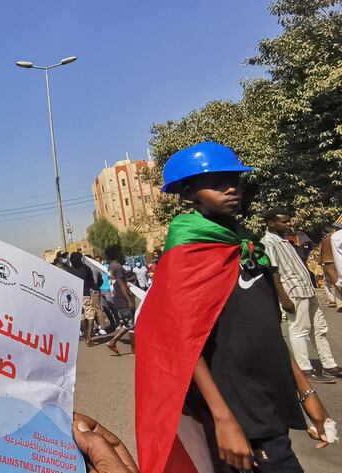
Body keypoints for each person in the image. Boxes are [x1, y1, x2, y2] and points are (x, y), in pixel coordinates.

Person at [136, 142, 332, 473]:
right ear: (188, 193)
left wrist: (307, 393)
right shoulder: (185, 255)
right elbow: (180, 344)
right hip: (234, 406)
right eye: (217, 182)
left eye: (235, 180)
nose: (232, 188)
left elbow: (270, 331)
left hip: (268, 399)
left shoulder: (246, 245)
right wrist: (222, 417)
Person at [261, 209, 340, 381]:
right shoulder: (269, 242)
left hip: (307, 290)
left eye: (289, 221)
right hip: (293, 292)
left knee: (319, 328)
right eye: (284, 222)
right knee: (299, 330)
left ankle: (329, 365)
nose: (288, 224)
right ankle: (305, 370)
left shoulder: (284, 240)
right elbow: (273, 272)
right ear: (271, 223)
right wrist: (283, 298)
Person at [104, 245, 136, 355]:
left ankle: (112, 342)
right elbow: (121, 285)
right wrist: (129, 300)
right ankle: (133, 350)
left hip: (116, 298)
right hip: (122, 299)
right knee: (131, 324)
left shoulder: (110, 266)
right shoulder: (117, 267)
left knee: (128, 323)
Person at [68, 251, 102, 346]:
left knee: (81, 316)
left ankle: (85, 335)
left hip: (75, 295)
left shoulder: (69, 270)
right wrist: (96, 288)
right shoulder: (86, 268)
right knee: (90, 315)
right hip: (86, 294)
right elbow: (92, 281)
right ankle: (89, 339)